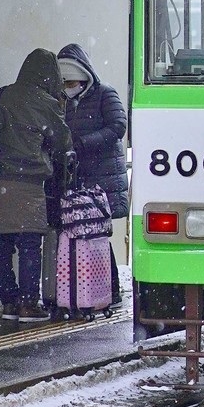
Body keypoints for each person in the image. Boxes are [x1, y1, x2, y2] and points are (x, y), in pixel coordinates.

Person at [0, 49, 74, 322]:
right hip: (28, 183)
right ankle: (29, 304)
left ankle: (9, 302)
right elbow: (63, 143)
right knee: (30, 244)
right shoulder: (44, 102)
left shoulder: (2, 95)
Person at [56, 43, 128, 306]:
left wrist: (85, 142)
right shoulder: (62, 101)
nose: (69, 86)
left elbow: (118, 126)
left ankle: (111, 289)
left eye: (72, 81)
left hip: (102, 175)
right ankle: (89, 290)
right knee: (83, 232)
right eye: (65, 82)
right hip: (79, 178)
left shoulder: (104, 94)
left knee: (97, 233)